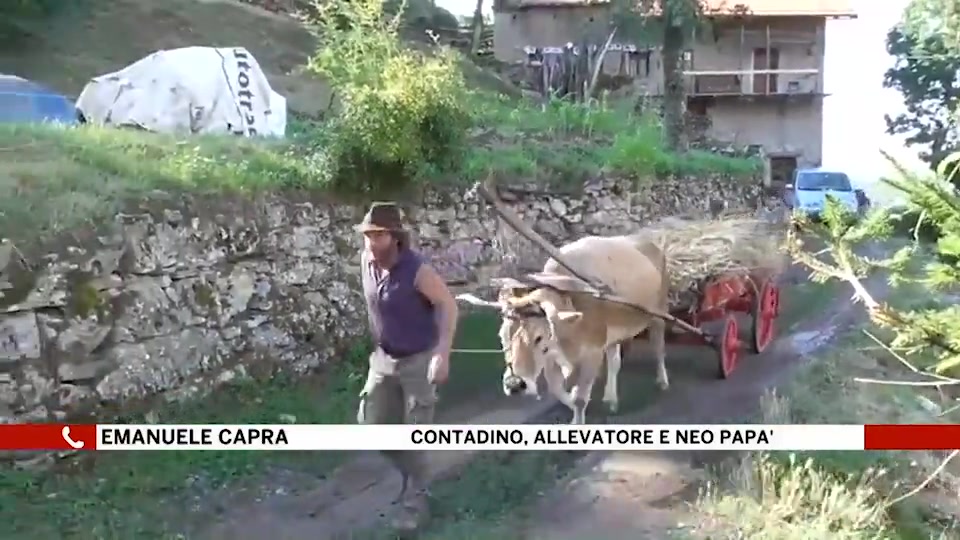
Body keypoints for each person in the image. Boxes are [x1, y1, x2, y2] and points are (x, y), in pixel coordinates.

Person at [355, 201, 459, 534]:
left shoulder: (418, 270)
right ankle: (413, 473)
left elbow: (447, 305)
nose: (372, 241)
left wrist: (442, 353)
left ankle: (416, 501)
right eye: (368, 234)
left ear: (396, 236)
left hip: (418, 360)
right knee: (372, 425)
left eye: (379, 234)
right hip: (384, 359)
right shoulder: (366, 262)